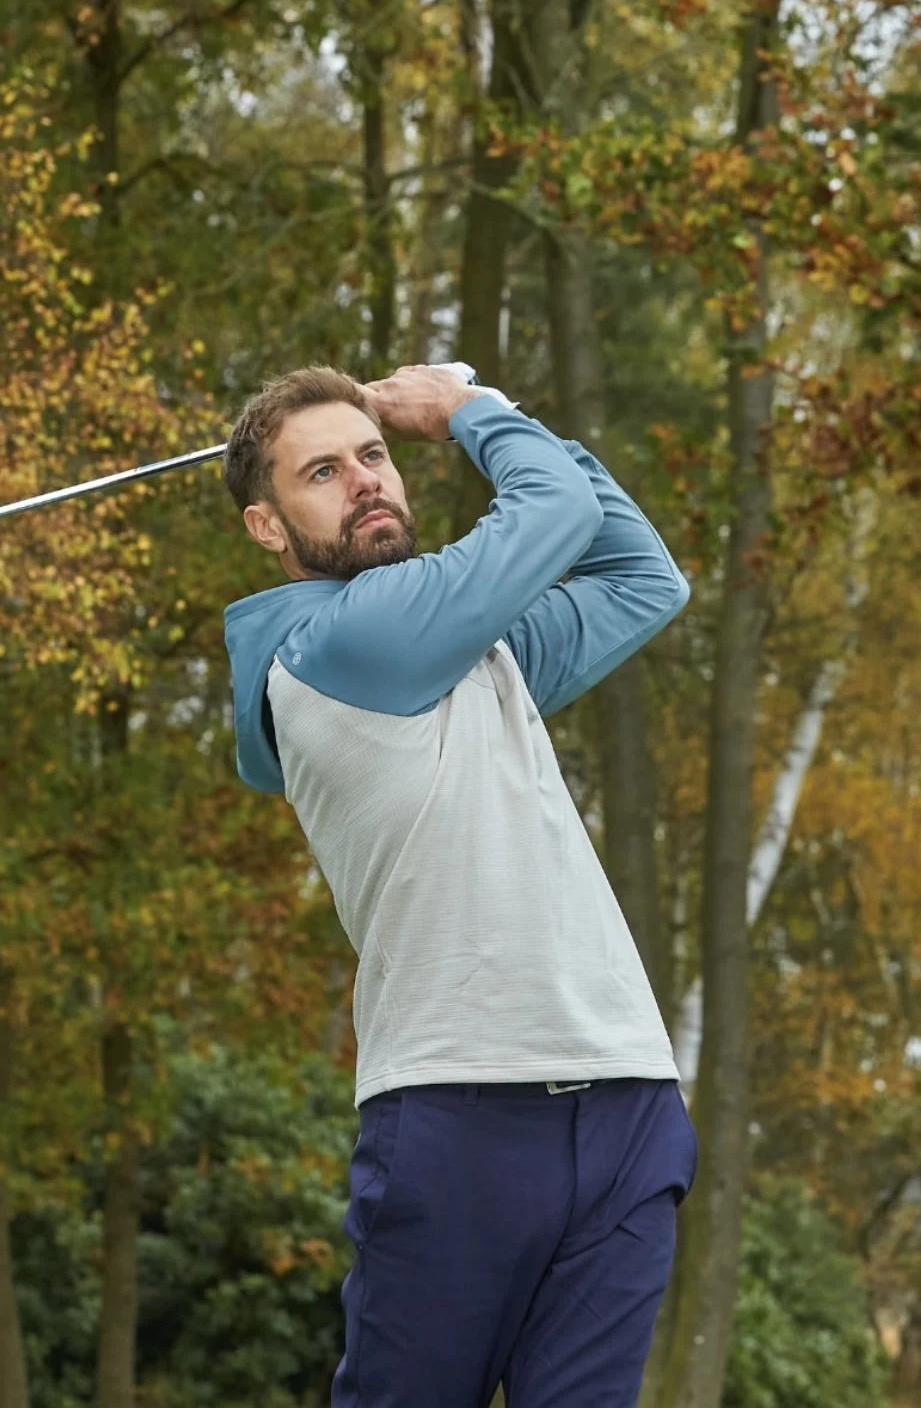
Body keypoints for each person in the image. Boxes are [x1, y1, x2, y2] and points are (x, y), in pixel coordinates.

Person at [221, 362, 697, 1408]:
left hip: (624, 1091)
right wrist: (465, 410)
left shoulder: (478, 652)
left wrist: (497, 416)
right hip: (458, 1106)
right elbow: (558, 507)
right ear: (267, 525)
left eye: (377, 453)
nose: (365, 482)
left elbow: (644, 576)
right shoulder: (338, 645)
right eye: (322, 471)